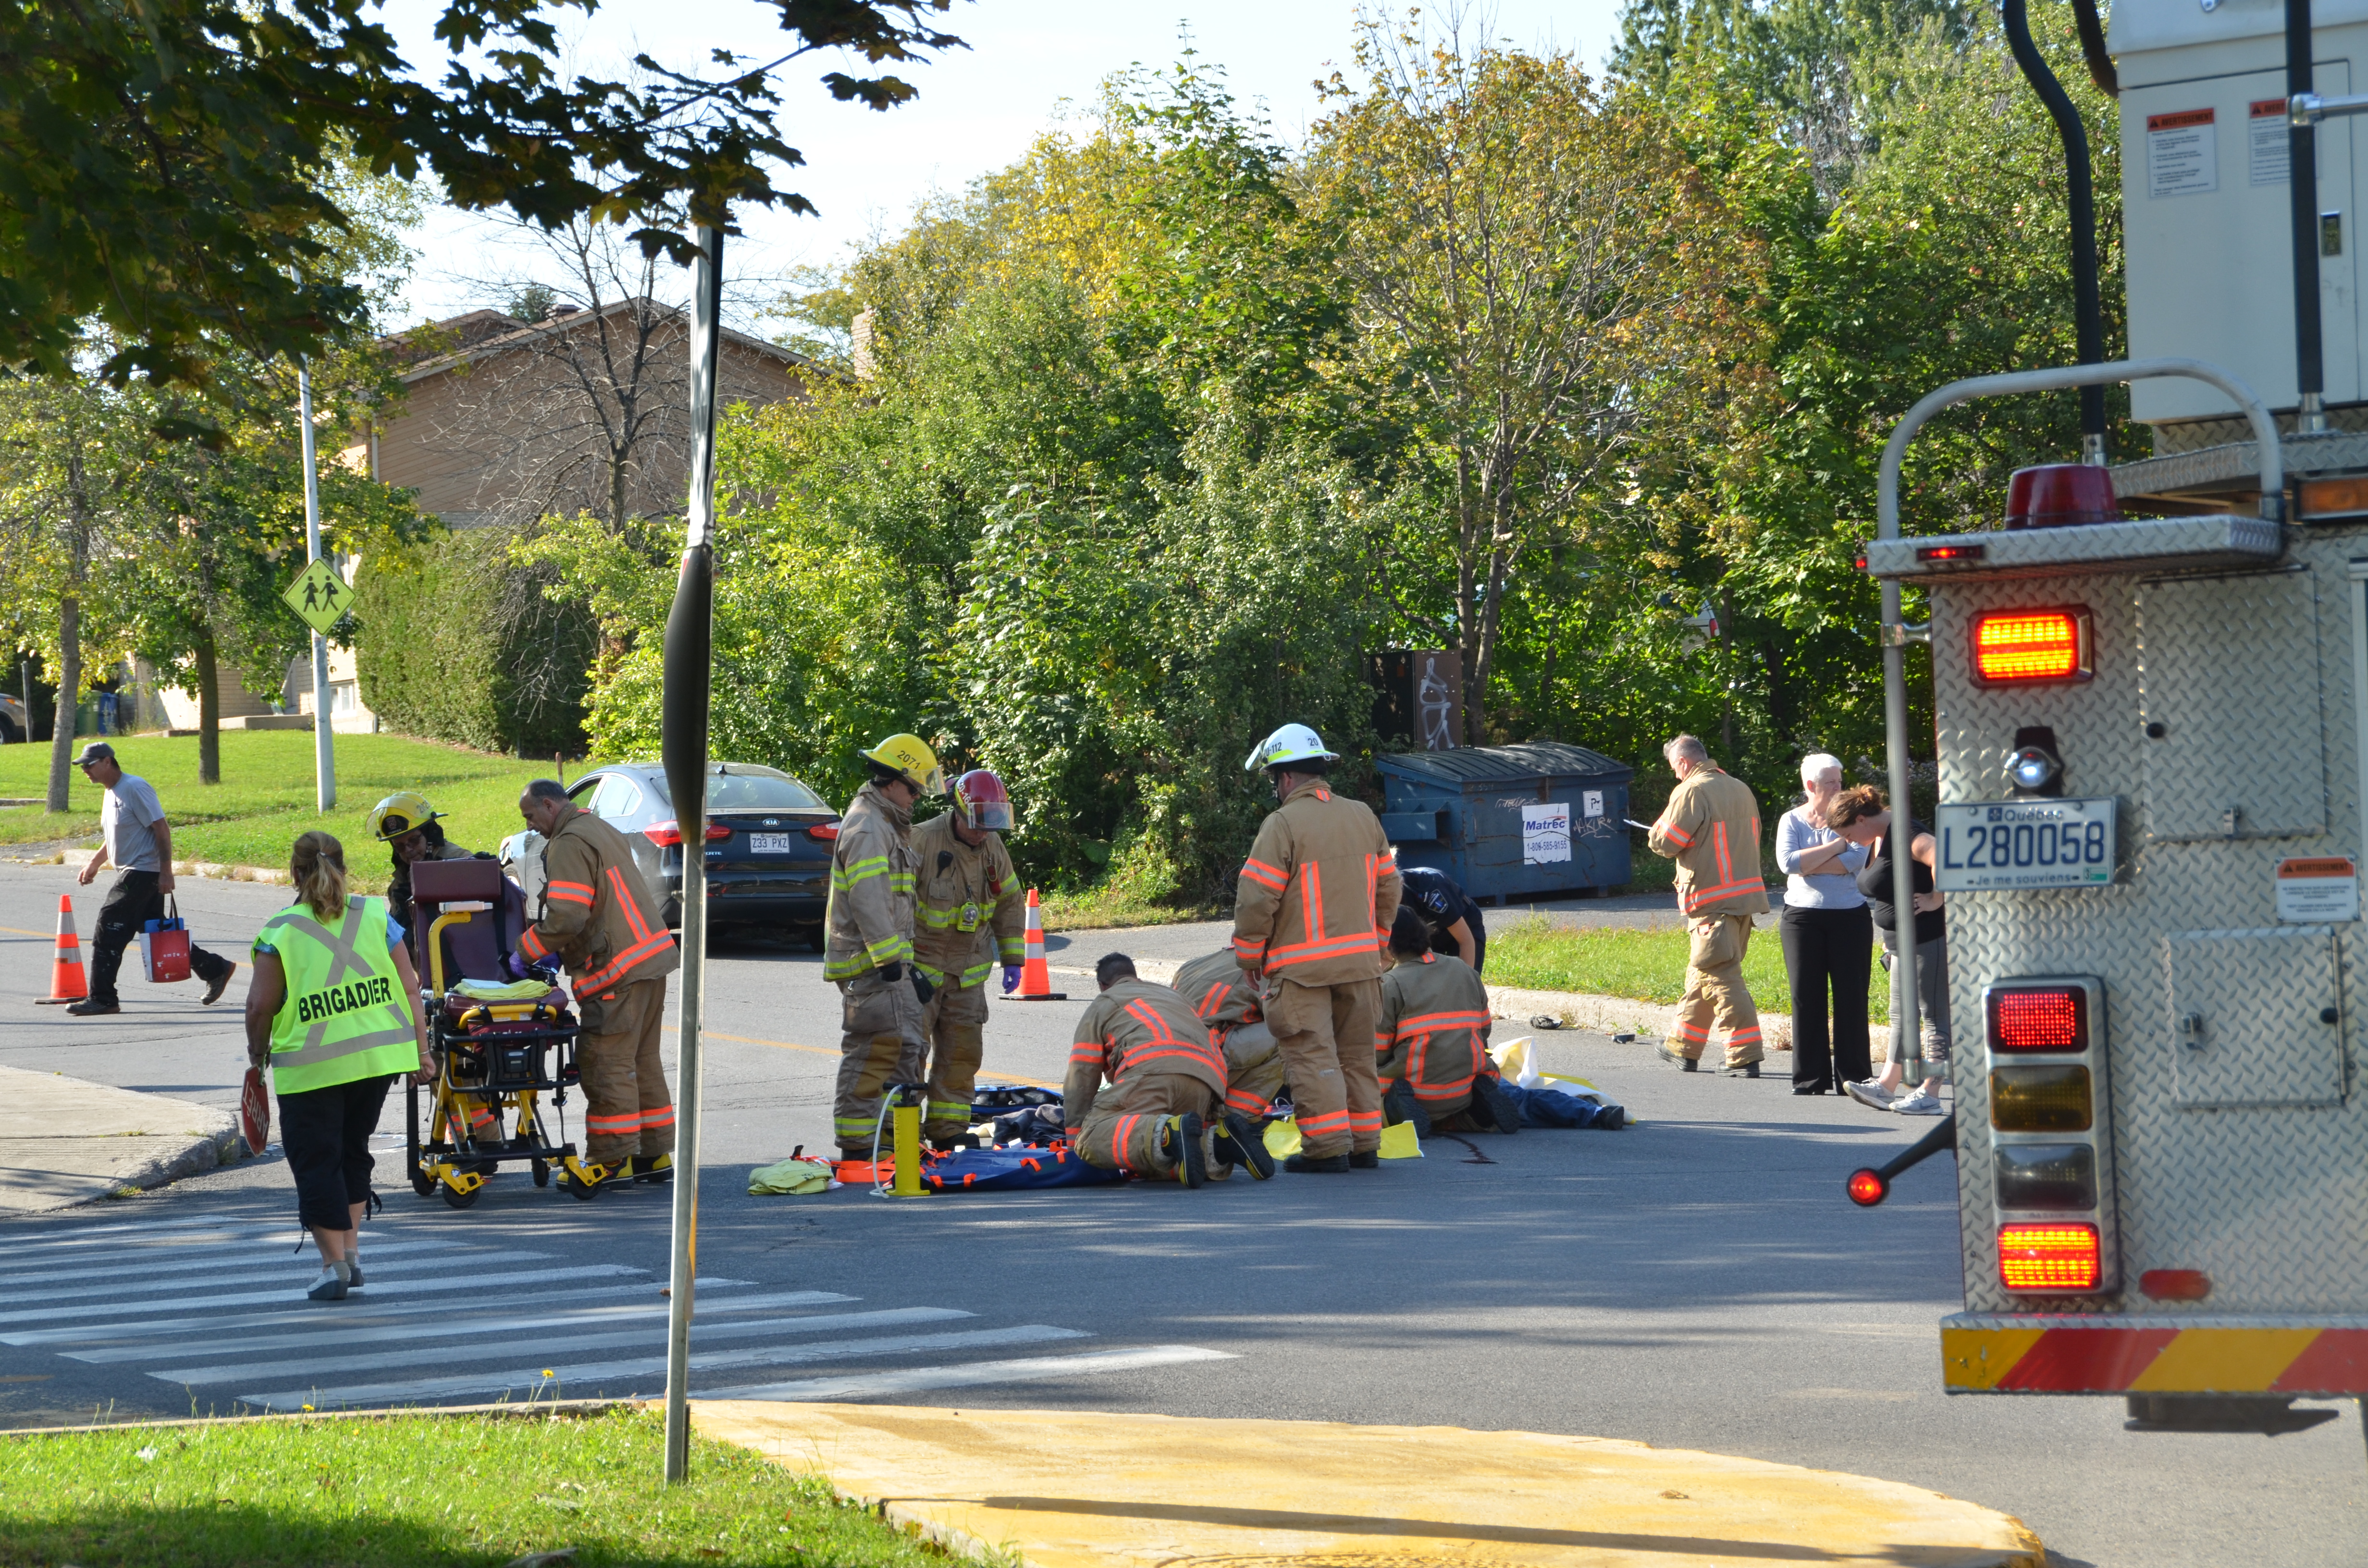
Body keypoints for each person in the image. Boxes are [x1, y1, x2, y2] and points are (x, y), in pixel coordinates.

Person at [243, 832, 433, 1301]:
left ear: (294, 874)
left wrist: (256, 1055)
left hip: (312, 1068)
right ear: (344, 870)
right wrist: (422, 1051)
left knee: (316, 1160)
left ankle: (332, 1266)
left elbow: (259, 1007)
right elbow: (412, 988)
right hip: (376, 1061)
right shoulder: (375, 916)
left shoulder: (280, 931)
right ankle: (350, 1254)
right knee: (353, 1153)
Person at [1232, 723, 1403, 1172]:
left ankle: (1328, 1149)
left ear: (1285, 777)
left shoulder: (1282, 824)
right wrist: (1379, 945)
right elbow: (1390, 888)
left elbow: (1256, 897)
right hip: (1362, 967)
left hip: (1301, 973)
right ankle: (1366, 1143)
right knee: (1358, 1056)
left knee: (1313, 1057)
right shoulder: (1363, 815)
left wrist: (1250, 955)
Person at [505, 777, 681, 1189]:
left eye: (531, 816)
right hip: (648, 961)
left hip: (615, 970)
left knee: (605, 1061)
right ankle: (652, 1155)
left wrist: (526, 951)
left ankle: (610, 1158)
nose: (530, 826)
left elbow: (567, 915)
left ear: (550, 806)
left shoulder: (568, 842)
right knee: (640, 1059)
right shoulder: (598, 827)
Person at [825, 733, 941, 1161]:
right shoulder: (869, 826)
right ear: (892, 780)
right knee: (875, 1048)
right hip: (870, 965)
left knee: (907, 1048)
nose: (916, 798)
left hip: (891, 965)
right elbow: (869, 897)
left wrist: (906, 967)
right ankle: (857, 1147)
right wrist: (889, 959)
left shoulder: (887, 823)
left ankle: (893, 1140)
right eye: (913, 788)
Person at [1066, 953, 1272, 1185]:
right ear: (1135, 976)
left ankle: (1166, 1132)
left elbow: (1082, 1076)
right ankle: (1218, 1146)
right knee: (1158, 1159)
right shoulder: (1175, 997)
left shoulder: (1105, 1002)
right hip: (1207, 1079)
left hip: (1153, 1071)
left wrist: (1075, 1142)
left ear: (1102, 986)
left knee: (1092, 1138)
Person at [68, 741, 236, 1017]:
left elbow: (162, 828)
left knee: (108, 929)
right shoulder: (111, 793)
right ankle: (216, 969)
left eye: (90, 764)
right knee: (155, 932)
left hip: (143, 872)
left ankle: (103, 998)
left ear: (108, 761)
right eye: (83, 766)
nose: (85, 770)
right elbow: (117, 837)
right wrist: (94, 864)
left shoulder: (134, 788)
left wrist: (166, 871)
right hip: (132, 870)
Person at [912, 768, 1024, 1148]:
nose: (983, 832)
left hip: (968, 977)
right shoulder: (922, 841)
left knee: (962, 1056)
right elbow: (894, 905)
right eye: (977, 823)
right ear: (957, 811)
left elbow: (1009, 901)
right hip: (921, 973)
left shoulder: (993, 845)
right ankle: (901, 1138)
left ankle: (947, 1132)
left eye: (991, 823)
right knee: (910, 1055)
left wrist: (1013, 958)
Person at [1645, 734, 1770, 1076]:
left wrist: (1655, 830)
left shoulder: (1691, 790)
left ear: (1684, 762)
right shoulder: (1739, 788)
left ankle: (1744, 1055)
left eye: (1674, 768)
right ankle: (1682, 1048)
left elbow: (1666, 842)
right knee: (1703, 974)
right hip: (1742, 900)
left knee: (1721, 977)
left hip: (1710, 901)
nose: (1674, 775)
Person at [1826, 785, 1949, 1116]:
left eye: (1850, 833)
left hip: (1928, 938)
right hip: (1899, 942)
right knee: (1900, 1017)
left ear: (1863, 819)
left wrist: (1936, 899)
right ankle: (1886, 1086)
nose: (1850, 841)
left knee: (1934, 1017)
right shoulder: (1877, 836)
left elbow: (1941, 854)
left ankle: (1931, 1093)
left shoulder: (1906, 831)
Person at [1775, 754, 1873, 1097]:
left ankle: (1855, 1078)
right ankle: (1810, 1079)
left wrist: (1812, 862)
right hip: (1802, 919)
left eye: (1840, 780)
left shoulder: (1856, 819)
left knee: (1851, 997)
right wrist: (1834, 846)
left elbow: (1856, 861)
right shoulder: (1792, 821)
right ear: (1810, 786)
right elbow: (1788, 863)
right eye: (1831, 782)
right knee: (1807, 997)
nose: (1839, 787)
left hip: (1850, 916)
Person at [1375, 907, 1519, 1136]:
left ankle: (1395, 1113)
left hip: (1413, 1091)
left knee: (1354, 1087)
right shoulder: (1464, 970)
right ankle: (1476, 1116)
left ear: (1386, 943)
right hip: (1465, 1088)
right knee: (1454, 1117)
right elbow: (1484, 1031)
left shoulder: (1391, 984)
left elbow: (1376, 1051)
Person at [1172, 947, 1285, 1123]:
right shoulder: (1263, 969)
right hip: (1203, 1061)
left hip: (1167, 1060)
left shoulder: (1196, 964)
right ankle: (1235, 1119)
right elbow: (1288, 1015)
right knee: (1288, 1034)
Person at [370, 791, 479, 939]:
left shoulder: (462, 863)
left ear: (430, 834)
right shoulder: (398, 888)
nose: (408, 850)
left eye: (414, 840)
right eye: (400, 847)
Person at [1397, 864, 1487, 974]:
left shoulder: (1429, 890)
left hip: (1464, 925)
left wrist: (1465, 982)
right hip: (1428, 935)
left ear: (1399, 884)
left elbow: (1466, 941)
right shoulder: (1378, 903)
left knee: (1462, 982)